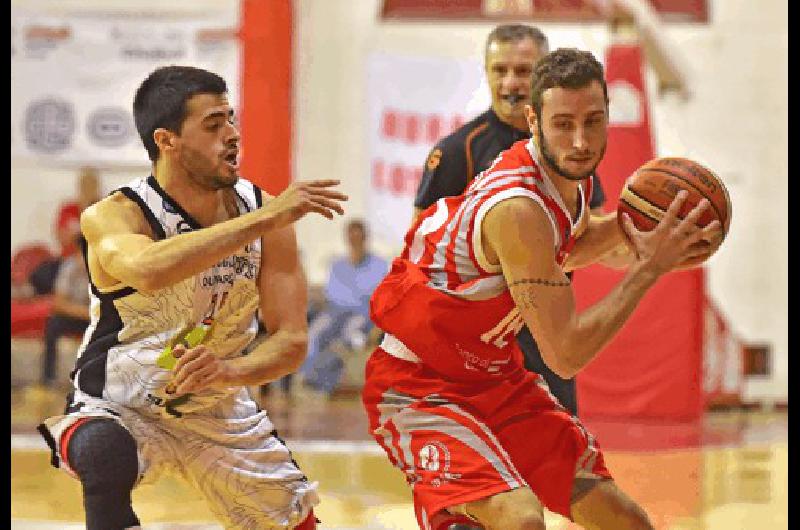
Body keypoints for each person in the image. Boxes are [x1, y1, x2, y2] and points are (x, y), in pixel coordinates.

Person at [363, 48, 722, 530]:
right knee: (521, 519)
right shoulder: (519, 208)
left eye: (593, 122)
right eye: (563, 124)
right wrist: (648, 268)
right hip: (420, 385)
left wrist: (644, 225)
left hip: (493, 380)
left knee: (626, 520)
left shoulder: (563, 182)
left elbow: (567, 246)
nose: (580, 140)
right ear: (534, 120)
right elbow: (566, 355)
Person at [37, 65, 347, 530]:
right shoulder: (115, 216)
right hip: (121, 402)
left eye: (231, 119)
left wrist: (230, 371)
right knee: (103, 454)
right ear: (167, 141)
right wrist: (264, 220)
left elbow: (292, 340)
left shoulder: (266, 217)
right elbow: (148, 269)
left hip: (218, 405)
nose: (233, 135)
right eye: (213, 125)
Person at [413, 24, 609, 417]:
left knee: (561, 470)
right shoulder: (458, 152)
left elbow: (593, 239)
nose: (510, 82)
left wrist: (653, 238)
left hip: (547, 340)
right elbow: (419, 258)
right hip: (478, 352)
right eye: (499, 70)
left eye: (522, 70)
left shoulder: (570, 152)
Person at [299, 219, 387, 396]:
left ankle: (324, 383)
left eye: (358, 237)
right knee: (315, 334)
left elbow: (380, 298)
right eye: (351, 237)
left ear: (365, 238)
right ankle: (309, 378)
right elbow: (329, 295)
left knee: (348, 338)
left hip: (361, 315)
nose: (354, 241)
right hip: (334, 312)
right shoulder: (337, 265)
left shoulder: (379, 265)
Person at [40, 236, 92, 388]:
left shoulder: (102, 268)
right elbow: (58, 304)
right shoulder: (69, 268)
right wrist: (86, 313)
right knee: (53, 324)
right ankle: (48, 377)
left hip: (96, 316)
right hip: (81, 315)